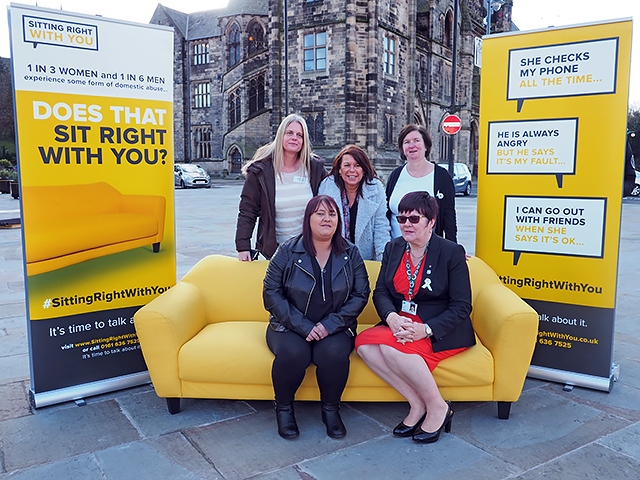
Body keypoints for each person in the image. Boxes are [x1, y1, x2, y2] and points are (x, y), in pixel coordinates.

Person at [355, 191, 475, 444]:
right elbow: (381, 292)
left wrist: (427, 330)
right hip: (403, 321)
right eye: (401, 219)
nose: (406, 224)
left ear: (431, 222)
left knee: (391, 350)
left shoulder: (451, 252)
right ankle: (417, 404)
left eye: (414, 219)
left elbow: (462, 306)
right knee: (364, 345)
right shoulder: (394, 247)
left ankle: (439, 407)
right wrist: (390, 318)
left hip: (440, 326)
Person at [263, 195, 370, 439]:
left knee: (332, 353)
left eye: (332, 214)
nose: (326, 219)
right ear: (308, 219)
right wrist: (303, 326)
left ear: (339, 221)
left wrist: (330, 324)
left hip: (335, 327)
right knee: (294, 353)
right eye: (320, 213)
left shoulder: (350, 253)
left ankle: (331, 410)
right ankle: (284, 410)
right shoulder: (288, 251)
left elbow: (361, 293)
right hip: (288, 326)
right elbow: (271, 293)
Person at [235, 114, 327, 261]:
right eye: (289, 133)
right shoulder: (261, 171)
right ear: (280, 135)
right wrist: (243, 246)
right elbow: (247, 210)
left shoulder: (315, 168)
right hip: (275, 252)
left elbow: (332, 200)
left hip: (310, 251)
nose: (294, 137)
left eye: (299, 135)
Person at [386, 124, 457, 242]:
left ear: (426, 146)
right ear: (402, 148)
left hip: (429, 251)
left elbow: (449, 216)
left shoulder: (441, 176)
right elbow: (386, 213)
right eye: (406, 142)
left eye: (416, 140)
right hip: (396, 250)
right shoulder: (395, 175)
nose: (412, 145)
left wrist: (454, 249)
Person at [318, 145, 390, 260]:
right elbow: (320, 227)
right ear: (340, 169)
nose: (352, 170)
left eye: (357, 165)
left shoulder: (376, 190)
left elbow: (381, 228)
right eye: (347, 165)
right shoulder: (326, 188)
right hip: (333, 258)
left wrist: (383, 261)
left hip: (365, 259)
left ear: (364, 170)